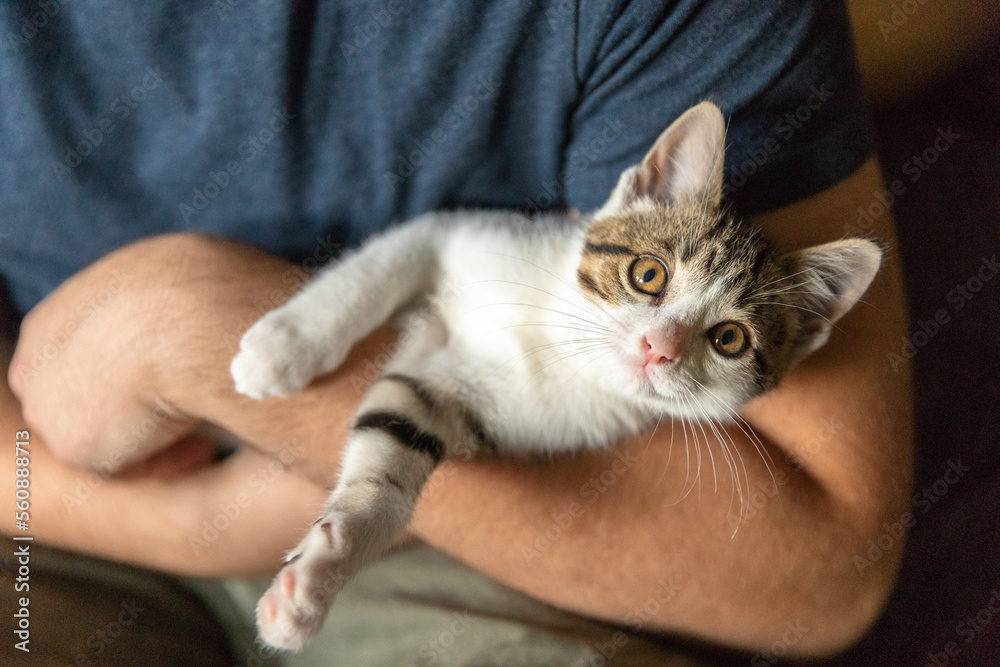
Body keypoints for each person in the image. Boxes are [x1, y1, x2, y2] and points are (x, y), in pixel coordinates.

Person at [0, 1, 912, 664]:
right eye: (649, 283)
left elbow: (831, 567)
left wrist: (183, 339)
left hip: (465, 546)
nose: (662, 347)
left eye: (724, 341)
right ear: (643, 189)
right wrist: (178, 512)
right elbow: (440, 263)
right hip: (53, 498)